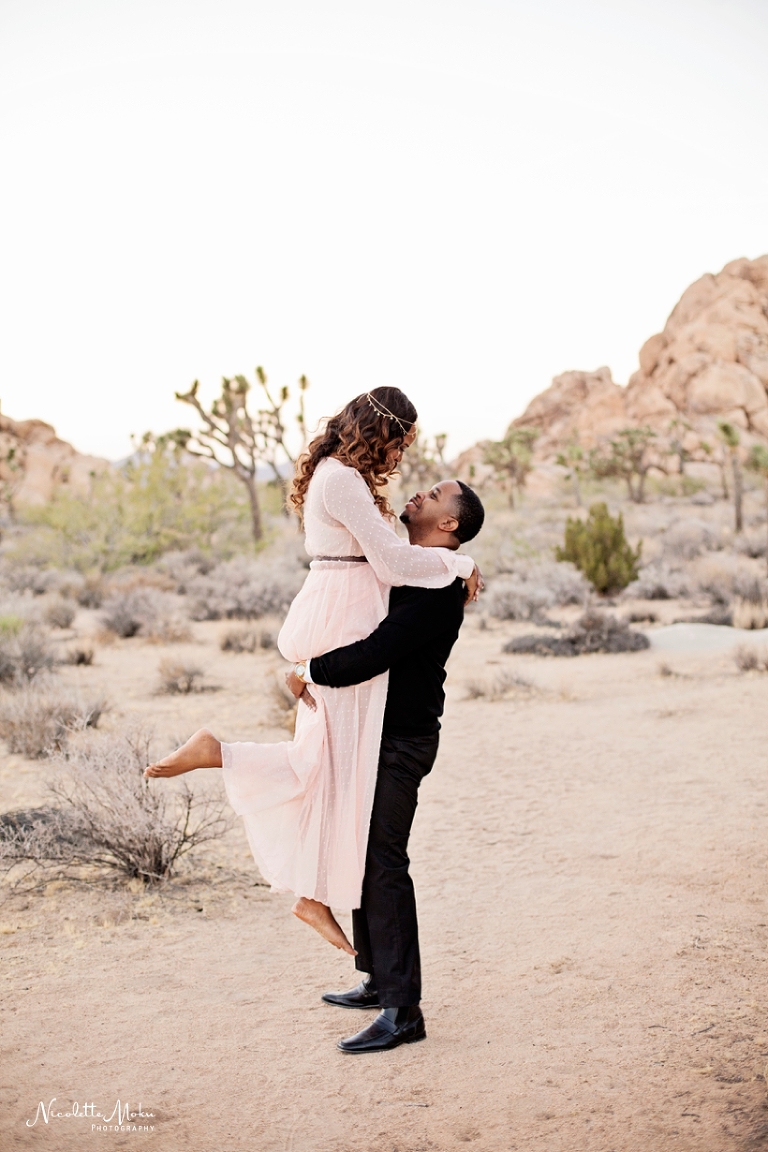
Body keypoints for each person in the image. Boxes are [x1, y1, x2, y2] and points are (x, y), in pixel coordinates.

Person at [145, 388, 480, 958]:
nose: (401, 454)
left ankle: (313, 894)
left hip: (341, 608)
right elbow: (395, 562)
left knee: (329, 767)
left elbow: (391, 559)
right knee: (327, 766)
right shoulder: (342, 481)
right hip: (342, 616)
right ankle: (227, 762)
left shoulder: (341, 475)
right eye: (400, 440)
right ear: (383, 430)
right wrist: (460, 561)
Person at [285, 478, 485, 1052]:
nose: (419, 493)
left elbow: (377, 651)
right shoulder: (416, 568)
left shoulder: (438, 584)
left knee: (383, 862)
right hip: (376, 734)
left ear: (449, 524)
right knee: (364, 851)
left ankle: (404, 1010)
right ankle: (378, 981)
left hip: (401, 740)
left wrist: (309, 670)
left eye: (435, 494)